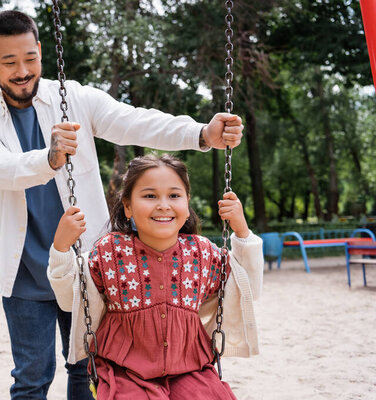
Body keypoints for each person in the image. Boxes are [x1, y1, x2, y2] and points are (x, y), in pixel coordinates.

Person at [0, 9, 244, 400]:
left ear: (41, 51)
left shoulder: (73, 97)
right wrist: (49, 158)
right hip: (26, 274)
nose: (23, 71)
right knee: (30, 378)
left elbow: (136, 122)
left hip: (86, 267)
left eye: (30, 58)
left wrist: (200, 133)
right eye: (9, 62)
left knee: (86, 369)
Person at [48, 154, 263, 400]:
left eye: (174, 195)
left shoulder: (201, 252)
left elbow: (248, 289)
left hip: (189, 367)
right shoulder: (111, 251)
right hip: (124, 370)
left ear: (187, 202)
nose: (163, 204)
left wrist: (242, 230)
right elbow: (69, 299)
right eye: (150, 196)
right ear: (127, 206)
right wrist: (62, 248)